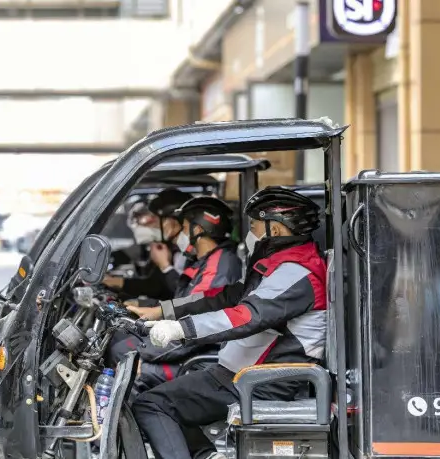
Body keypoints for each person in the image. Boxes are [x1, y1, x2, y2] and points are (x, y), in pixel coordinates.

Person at [129, 186, 328, 459]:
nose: (250, 234)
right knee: (160, 399)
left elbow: (248, 315)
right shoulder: (280, 266)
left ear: (277, 230)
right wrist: (163, 312)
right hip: (236, 374)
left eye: (255, 226)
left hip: (257, 382)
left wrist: (181, 329)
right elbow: (224, 296)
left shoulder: (297, 273)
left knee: (152, 404)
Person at [109, 195, 243, 393]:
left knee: (124, 359)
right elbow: (185, 304)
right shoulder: (202, 261)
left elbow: (198, 323)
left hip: (200, 357)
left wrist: (145, 352)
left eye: (185, 227)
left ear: (198, 230)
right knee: (118, 342)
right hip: (186, 346)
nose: (182, 232)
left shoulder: (220, 264)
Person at [102, 188, 192, 301]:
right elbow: (154, 285)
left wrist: (165, 266)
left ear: (175, 220)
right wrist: (112, 282)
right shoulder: (169, 248)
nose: (147, 225)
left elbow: (188, 297)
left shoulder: (194, 252)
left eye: (152, 219)